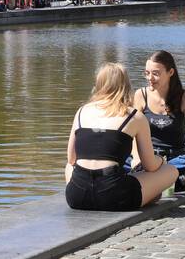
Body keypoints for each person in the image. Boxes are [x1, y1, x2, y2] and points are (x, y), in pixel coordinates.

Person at [65, 62, 177, 211]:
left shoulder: (81, 111)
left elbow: (71, 159)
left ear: (98, 84)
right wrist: (161, 160)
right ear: (126, 85)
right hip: (115, 197)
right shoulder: (134, 116)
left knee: (69, 166)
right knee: (171, 171)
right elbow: (150, 165)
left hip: (77, 196)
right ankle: (147, 195)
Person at [131, 51, 185, 190]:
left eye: (155, 73)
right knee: (116, 162)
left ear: (170, 72)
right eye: (147, 73)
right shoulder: (140, 95)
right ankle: (173, 181)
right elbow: (133, 132)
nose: (150, 78)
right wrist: (136, 158)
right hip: (147, 156)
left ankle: (154, 179)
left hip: (174, 159)